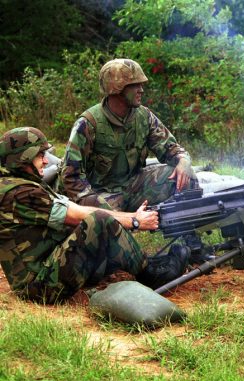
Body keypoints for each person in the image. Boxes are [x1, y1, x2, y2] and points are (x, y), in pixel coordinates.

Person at [0, 127, 188, 304]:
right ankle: (151, 273)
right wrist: (135, 221)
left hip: (42, 268)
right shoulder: (19, 193)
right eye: (40, 155)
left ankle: (142, 262)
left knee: (93, 210)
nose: (46, 161)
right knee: (99, 220)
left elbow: (68, 207)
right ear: (22, 159)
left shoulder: (15, 183)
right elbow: (75, 215)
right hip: (39, 287)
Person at [58, 58, 197, 211]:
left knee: (185, 176)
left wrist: (183, 160)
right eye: (135, 85)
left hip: (132, 187)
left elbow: (171, 148)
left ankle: (182, 230)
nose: (141, 90)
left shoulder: (144, 116)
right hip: (100, 194)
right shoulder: (88, 123)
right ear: (116, 87)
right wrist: (93, 204)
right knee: (105, 215)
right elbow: (71, 177)